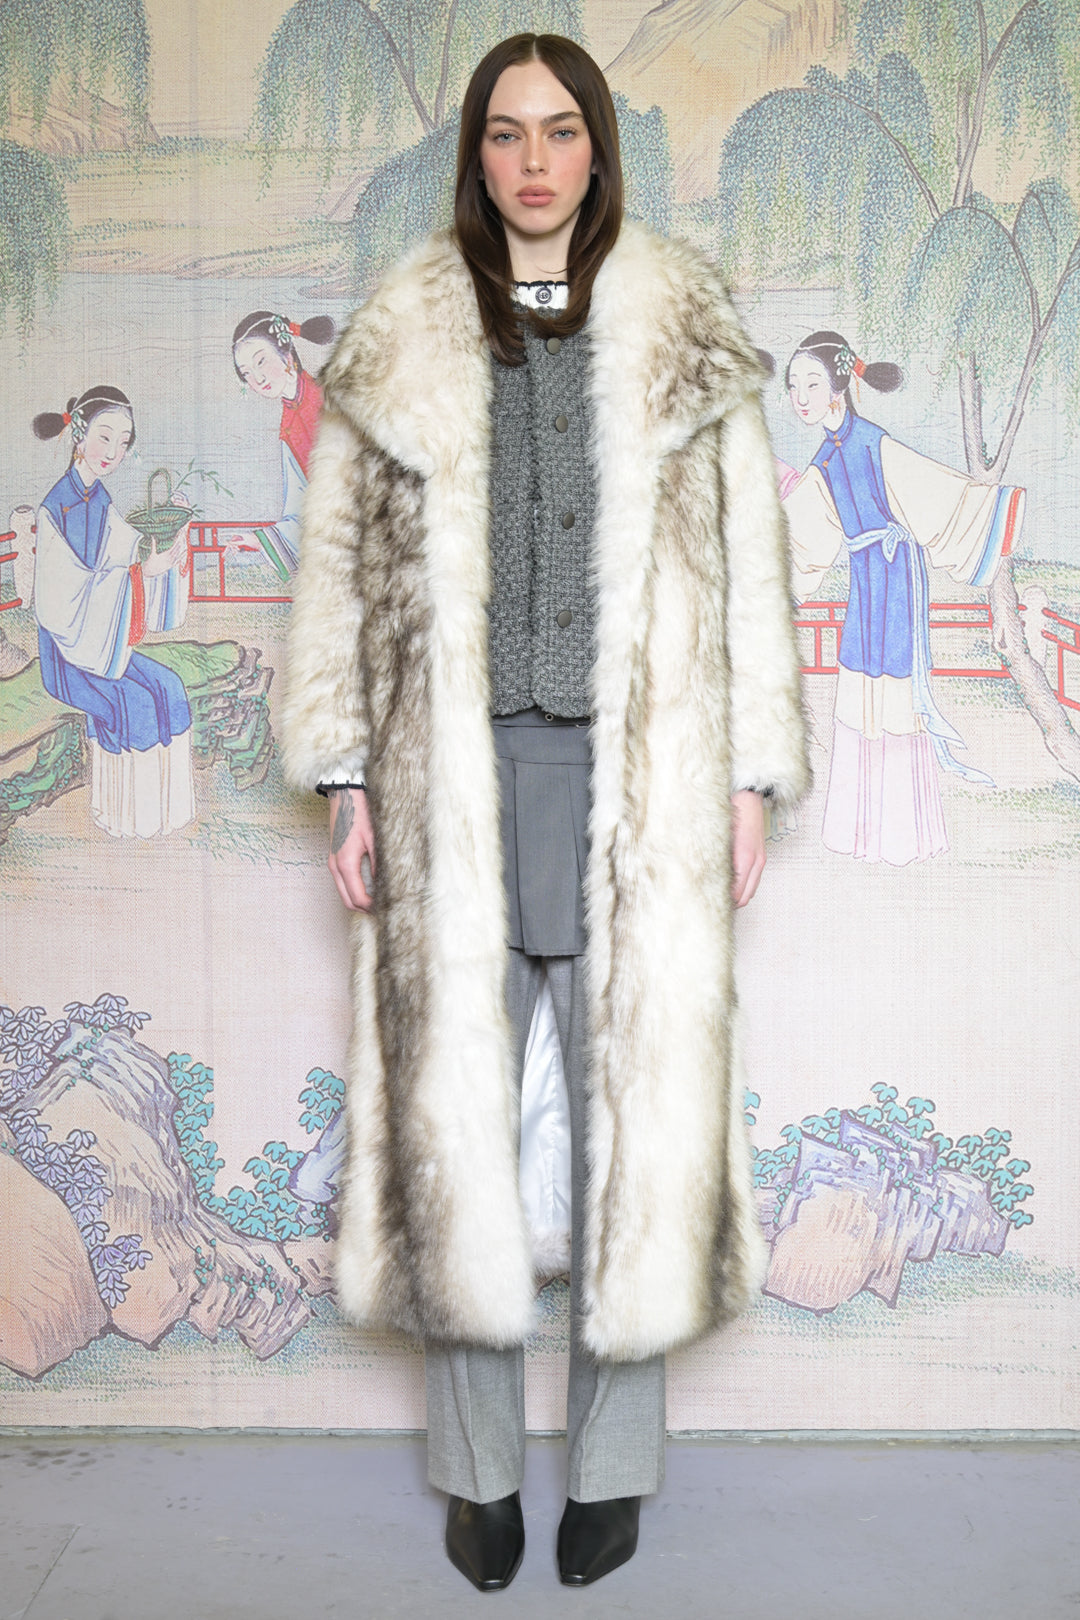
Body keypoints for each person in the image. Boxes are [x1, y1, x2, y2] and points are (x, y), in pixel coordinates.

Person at [282, 34, 808, 1591]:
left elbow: (753, 574)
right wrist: (345, 778)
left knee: (635, 1129)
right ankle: (478, 1476)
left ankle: (617, 1471)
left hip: (639, 786)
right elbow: (338, 578)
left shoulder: (685, 330)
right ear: (478, 153)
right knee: (455, 1134)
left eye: (560, 130)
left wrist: (749, 774)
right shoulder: (402, 335)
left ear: (597, 148)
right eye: (507, 133)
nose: (532, 160)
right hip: (446, 779)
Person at [781, 331, 1024, 865]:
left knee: (893, 694)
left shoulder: (873, 443)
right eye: (793, 385)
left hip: (894, 580)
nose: (800, 396)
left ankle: (901, 836)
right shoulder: (824, 461)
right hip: (864, 584)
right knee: (858, 687)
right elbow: (802, 539)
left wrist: (992, 509)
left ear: (839, 386)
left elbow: (931, 493)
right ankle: (856, 832)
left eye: (812, 384)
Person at [33, 386, 195, 839]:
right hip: (68, 652)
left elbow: (131, 549)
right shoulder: (55, 509)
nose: (113, 452)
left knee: (169, 687)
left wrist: (173, 537)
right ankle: (125, 815)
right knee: (135, 701)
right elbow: (60, 602)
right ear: (79, 435)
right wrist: (139, 575)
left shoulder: (99, 499)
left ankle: (169, 812)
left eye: (123, 442)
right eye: (105, 437)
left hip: (103, 640)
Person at [231, 311, 336, 575]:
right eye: (246, 373)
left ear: (287, 357)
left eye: (261, 361)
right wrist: (261, 540)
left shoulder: (327, 401)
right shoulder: (287, 426)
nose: (258, 379)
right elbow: (299, 508)